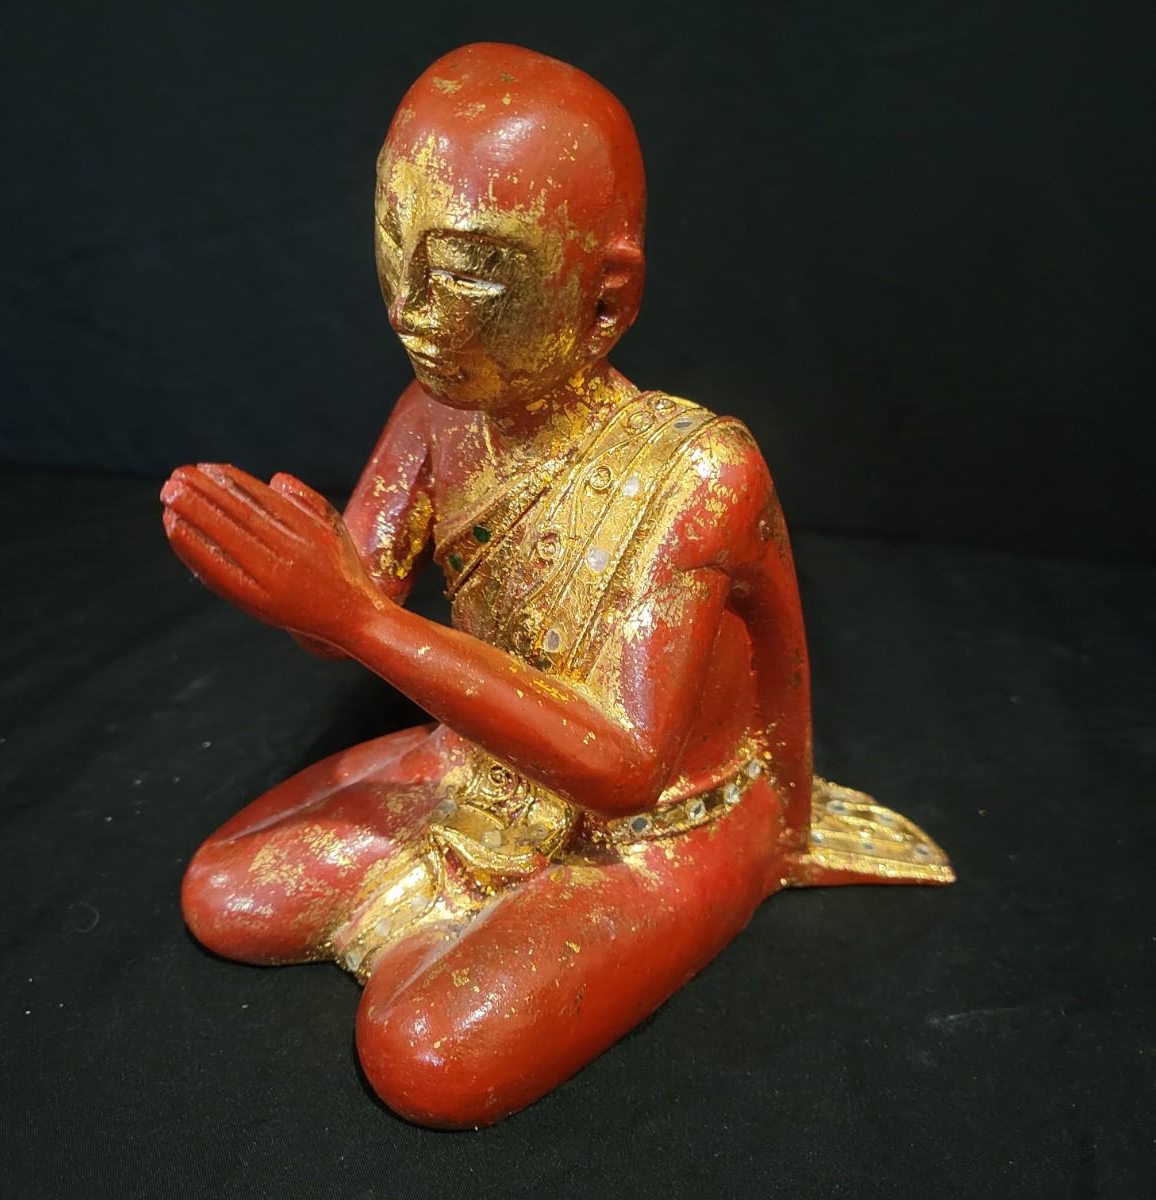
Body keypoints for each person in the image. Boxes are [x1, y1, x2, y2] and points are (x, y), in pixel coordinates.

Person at [160, 41, 952, 1129]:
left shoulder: (698, 475)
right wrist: (298, 591)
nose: (412, 306)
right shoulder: (437, 412)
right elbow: (338, 617)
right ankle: (446, 908)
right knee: (225, 893)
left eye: (471, 267)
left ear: (606, 296)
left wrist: (355, 617)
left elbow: (626, 766)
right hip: (484, 760)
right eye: (392, 238)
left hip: (659, 824)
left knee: (426, 1056)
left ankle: (577, 897)